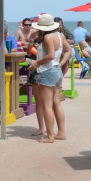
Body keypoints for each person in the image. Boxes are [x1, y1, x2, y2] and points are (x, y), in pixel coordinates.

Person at [28, 14, 66, 143]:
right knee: (56, 103)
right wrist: (61, 63)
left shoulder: (47, 38)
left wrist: (36, 63)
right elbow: (68, 50)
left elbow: (50, 55)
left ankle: (50, 136)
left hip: (47, 71)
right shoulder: (60, 36)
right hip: (56, 70)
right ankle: (61, 132)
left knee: (47, 106)